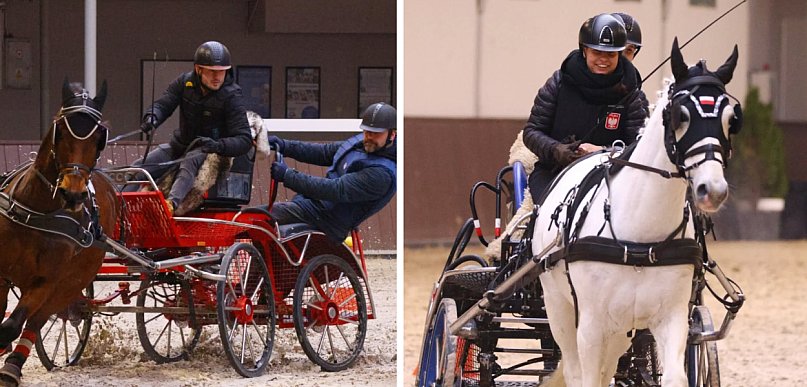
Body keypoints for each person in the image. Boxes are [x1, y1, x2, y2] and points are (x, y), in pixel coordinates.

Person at [522, 13, 649, 202]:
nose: (603, 60)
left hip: (610, 177)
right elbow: (532, 131)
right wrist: (557, 150)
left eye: (611, 54)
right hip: (555, 172)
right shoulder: (558, 82)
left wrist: (604, 152)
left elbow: (640, 146)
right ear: (584, 50)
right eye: (597, 52)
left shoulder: (632, 94)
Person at [134, 41, 252, 214]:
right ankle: (120, 203)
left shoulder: (233, 96)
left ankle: (170, 206)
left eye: (222, 71)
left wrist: (217, 145)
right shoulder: (184, 82)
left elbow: (244, 140)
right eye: (212, 71)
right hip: (181, 145)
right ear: (198, 69)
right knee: (140, 166)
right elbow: (164, 104)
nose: (217, 77)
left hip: (212, 152)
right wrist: (152, 117)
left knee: (189, 161)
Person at [264, 102, 397, 242]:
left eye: (376, 133)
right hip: (315, 206)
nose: (369, 136)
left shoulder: (382, 174)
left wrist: (287, 176)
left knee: (259, 218)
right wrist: (284, 145)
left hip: (327, 220)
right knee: (260, 221)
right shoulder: (362, 143)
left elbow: (335, 189)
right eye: (366, 131)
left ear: (392, 135)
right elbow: (325, 152)